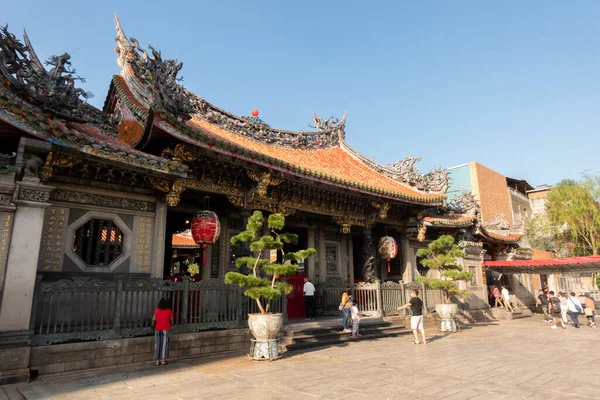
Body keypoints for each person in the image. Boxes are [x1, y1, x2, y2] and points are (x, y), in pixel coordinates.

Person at [152, 297, 173, 366]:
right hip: (166, 329)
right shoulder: (169, 311)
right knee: (165, 344)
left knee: (157, 344)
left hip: (157, 329)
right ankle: (163, 360)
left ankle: (157, 361)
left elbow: (154, 319)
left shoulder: (157, 310)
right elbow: (171, 319)